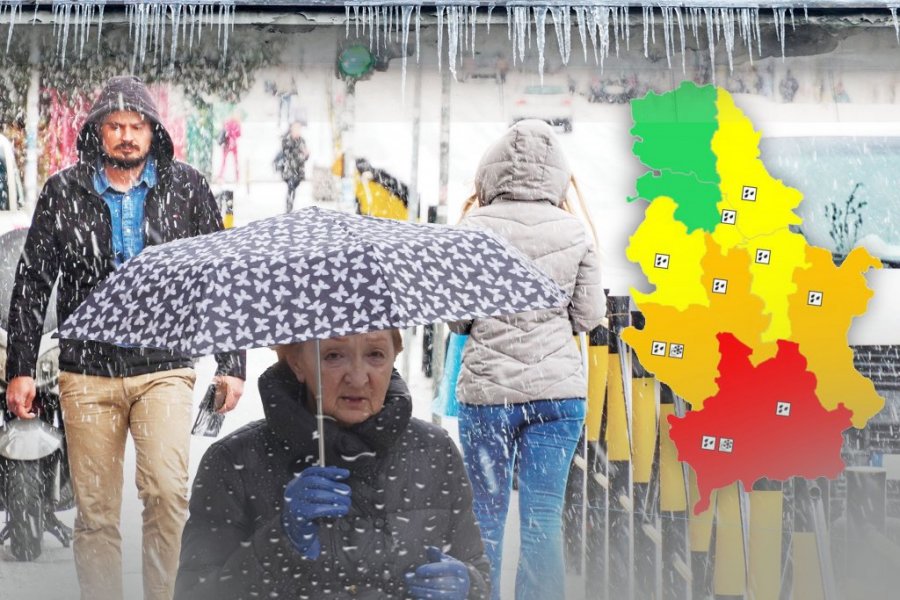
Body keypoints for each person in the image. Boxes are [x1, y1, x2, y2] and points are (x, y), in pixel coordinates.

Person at [4, 75, 246, 600]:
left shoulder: (186, 188)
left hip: (165, 367)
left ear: (153, 131)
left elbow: (220, 273)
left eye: (137, 125)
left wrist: (232, 363)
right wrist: (20, 367)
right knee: (96, 514)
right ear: (98, 131)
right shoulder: (63, 192)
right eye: (115, 126)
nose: (127, 136)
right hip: (86, 373)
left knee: (167, 495)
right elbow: (33, 282)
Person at [174, 329, 491, 599]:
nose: (358, 377)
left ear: (395, 355)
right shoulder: (234, 462)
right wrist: (281, 541)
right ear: (297, 362)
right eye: (334, 355)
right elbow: (196, 592)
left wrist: (469, 586)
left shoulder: (434, 451)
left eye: (376, 354)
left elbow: (477, 568)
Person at [451, 119, 606, 600]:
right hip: (558, 397)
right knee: (542, 516)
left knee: (486, 514)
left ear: (493, 170)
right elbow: (589, 316)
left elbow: (457, 320)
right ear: (557, 173)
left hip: (487, 395)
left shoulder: (473, 228)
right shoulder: (575, 231)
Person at [275, 119, 310, 213]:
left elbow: (304, 158)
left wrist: (306, 154)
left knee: (294, 188)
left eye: (299, 128)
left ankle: (290, 207)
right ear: (291, 129)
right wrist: (301, 154)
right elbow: (288, 154)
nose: (298, 131)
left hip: (299, 171)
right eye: (296, 128)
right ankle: (289, 208)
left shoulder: (302, 141)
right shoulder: (287, 140)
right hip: (289, 170)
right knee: (291, 188)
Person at [216, 112, 242, 182]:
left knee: (224, 161)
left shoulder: (226, 122)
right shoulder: (237, 124)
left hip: (226, 145)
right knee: (236, 161)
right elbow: (239, 134)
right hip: (233, 145)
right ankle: (237, 177)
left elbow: (223, 132)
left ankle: (220, 175)